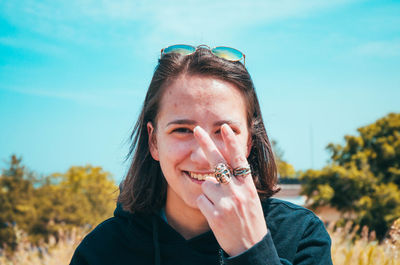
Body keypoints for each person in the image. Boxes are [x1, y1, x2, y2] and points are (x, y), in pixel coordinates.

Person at [70, 44, 332, 265]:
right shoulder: (102, 251)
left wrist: (251, 250)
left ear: (249, 142)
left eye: (225, 130)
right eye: (183, 130)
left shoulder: (300, 236)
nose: (204, 155)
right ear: (153, 141)